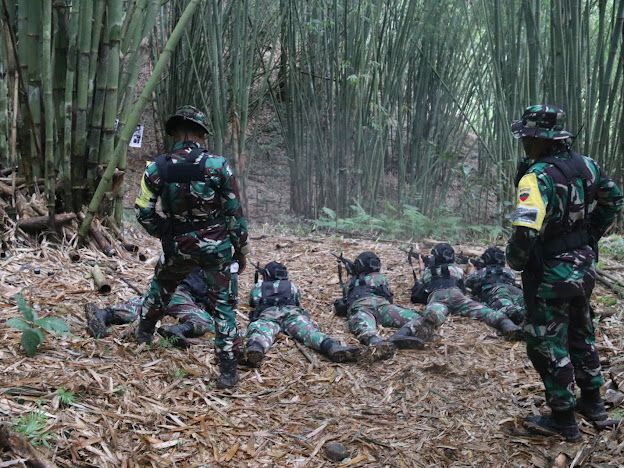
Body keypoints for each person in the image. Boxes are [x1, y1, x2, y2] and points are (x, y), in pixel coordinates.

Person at [507, 104, 623, 441]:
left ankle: (563, 418)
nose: (525, 144)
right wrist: (588, 236)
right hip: (583, 267)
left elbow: (526, 229)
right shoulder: (587, 165)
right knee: (581, 333)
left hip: (550, 272)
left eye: (527, 138)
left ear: (540, 138)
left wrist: (516, 260)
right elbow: (613, 200)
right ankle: (594, 404)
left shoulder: (537, 176)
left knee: (545, 342)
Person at [134, 105, 250, 389]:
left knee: (161, 286)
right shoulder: (218, 166)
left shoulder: (156, 167)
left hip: (178, 244)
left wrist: (166, 232)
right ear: (201, 133)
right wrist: (240, 249)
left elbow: (142, 212)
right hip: (216, 245)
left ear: (173, 132)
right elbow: (235, 214)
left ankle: (143, 335)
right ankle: (227, 371)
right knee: (223, 305)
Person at [394, 243, 521, 343]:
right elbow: (464, 283)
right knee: (487, 312)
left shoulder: (428, 272)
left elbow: (421, 286)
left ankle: (402, 334)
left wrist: (423, 268)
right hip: (458, 296)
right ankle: (508, 326)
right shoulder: (457, 270)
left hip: (438, 297)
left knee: (430, 316)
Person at [245, 262, 360, 367]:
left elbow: (253, 302)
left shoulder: (259, 287)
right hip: (292, 314)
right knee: (310, 332)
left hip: (269, 315)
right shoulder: (291, 286)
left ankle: (256, 348)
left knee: (260, 331)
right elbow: (296, 301)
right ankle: (331, 346)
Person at [85, 268, 216, 348]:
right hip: (181, 294)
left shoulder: (185, 248)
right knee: (206, 322)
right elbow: (215, 299)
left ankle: (105, 313)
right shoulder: (214, 264)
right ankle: (178, 329)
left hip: (163, 289)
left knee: (145, 308)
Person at [338, 251, 427, 356]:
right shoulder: (379, 277)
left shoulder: (350, 282)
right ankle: (402, 334)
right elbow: (389, 297)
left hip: (362, 308)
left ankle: (375, 341)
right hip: (383, 307)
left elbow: (346, 300)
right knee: (419, 319)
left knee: (363, 326)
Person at [464, 246, 525, 326]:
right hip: (514, 290)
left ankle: (518, 314)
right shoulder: (508, 271)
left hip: (497, 289)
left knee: (506, 307)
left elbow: (467, 282)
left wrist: (471, 270)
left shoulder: (482, 272)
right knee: (524, 302)